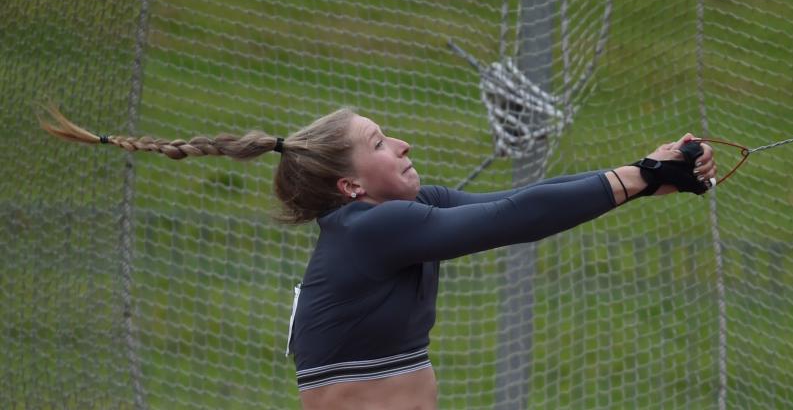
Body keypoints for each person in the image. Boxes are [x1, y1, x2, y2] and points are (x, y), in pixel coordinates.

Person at [40, 105, 717, 409]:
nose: (402, 144)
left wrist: (652, 176)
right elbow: (520, 221)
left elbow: (522, 199)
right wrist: (638, 173)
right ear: (351, 185)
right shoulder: (371, 231)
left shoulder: (386, 223)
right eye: (380, 141)